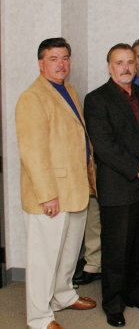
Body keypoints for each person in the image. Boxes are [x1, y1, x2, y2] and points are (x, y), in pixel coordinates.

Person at [16, 37, 97, 329]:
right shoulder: (32, 98)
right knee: (43, 258)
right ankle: (38, 317)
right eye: (54, 59)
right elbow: (33, 152)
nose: (61, 64)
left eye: (65, 58)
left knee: (68, 252)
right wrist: (47, 195)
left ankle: (62, 295)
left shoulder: (68, 90)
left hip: (75, 189)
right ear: (41, 63)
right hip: (50, 195)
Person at [84, 43, 139, 327]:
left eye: (130, 62)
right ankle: (113, 304)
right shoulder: (96, 99)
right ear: (109, 67)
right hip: (118, 185)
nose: (127, 67)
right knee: (116, 250)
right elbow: (104, 146)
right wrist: (137, 168)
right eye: (120, 63)